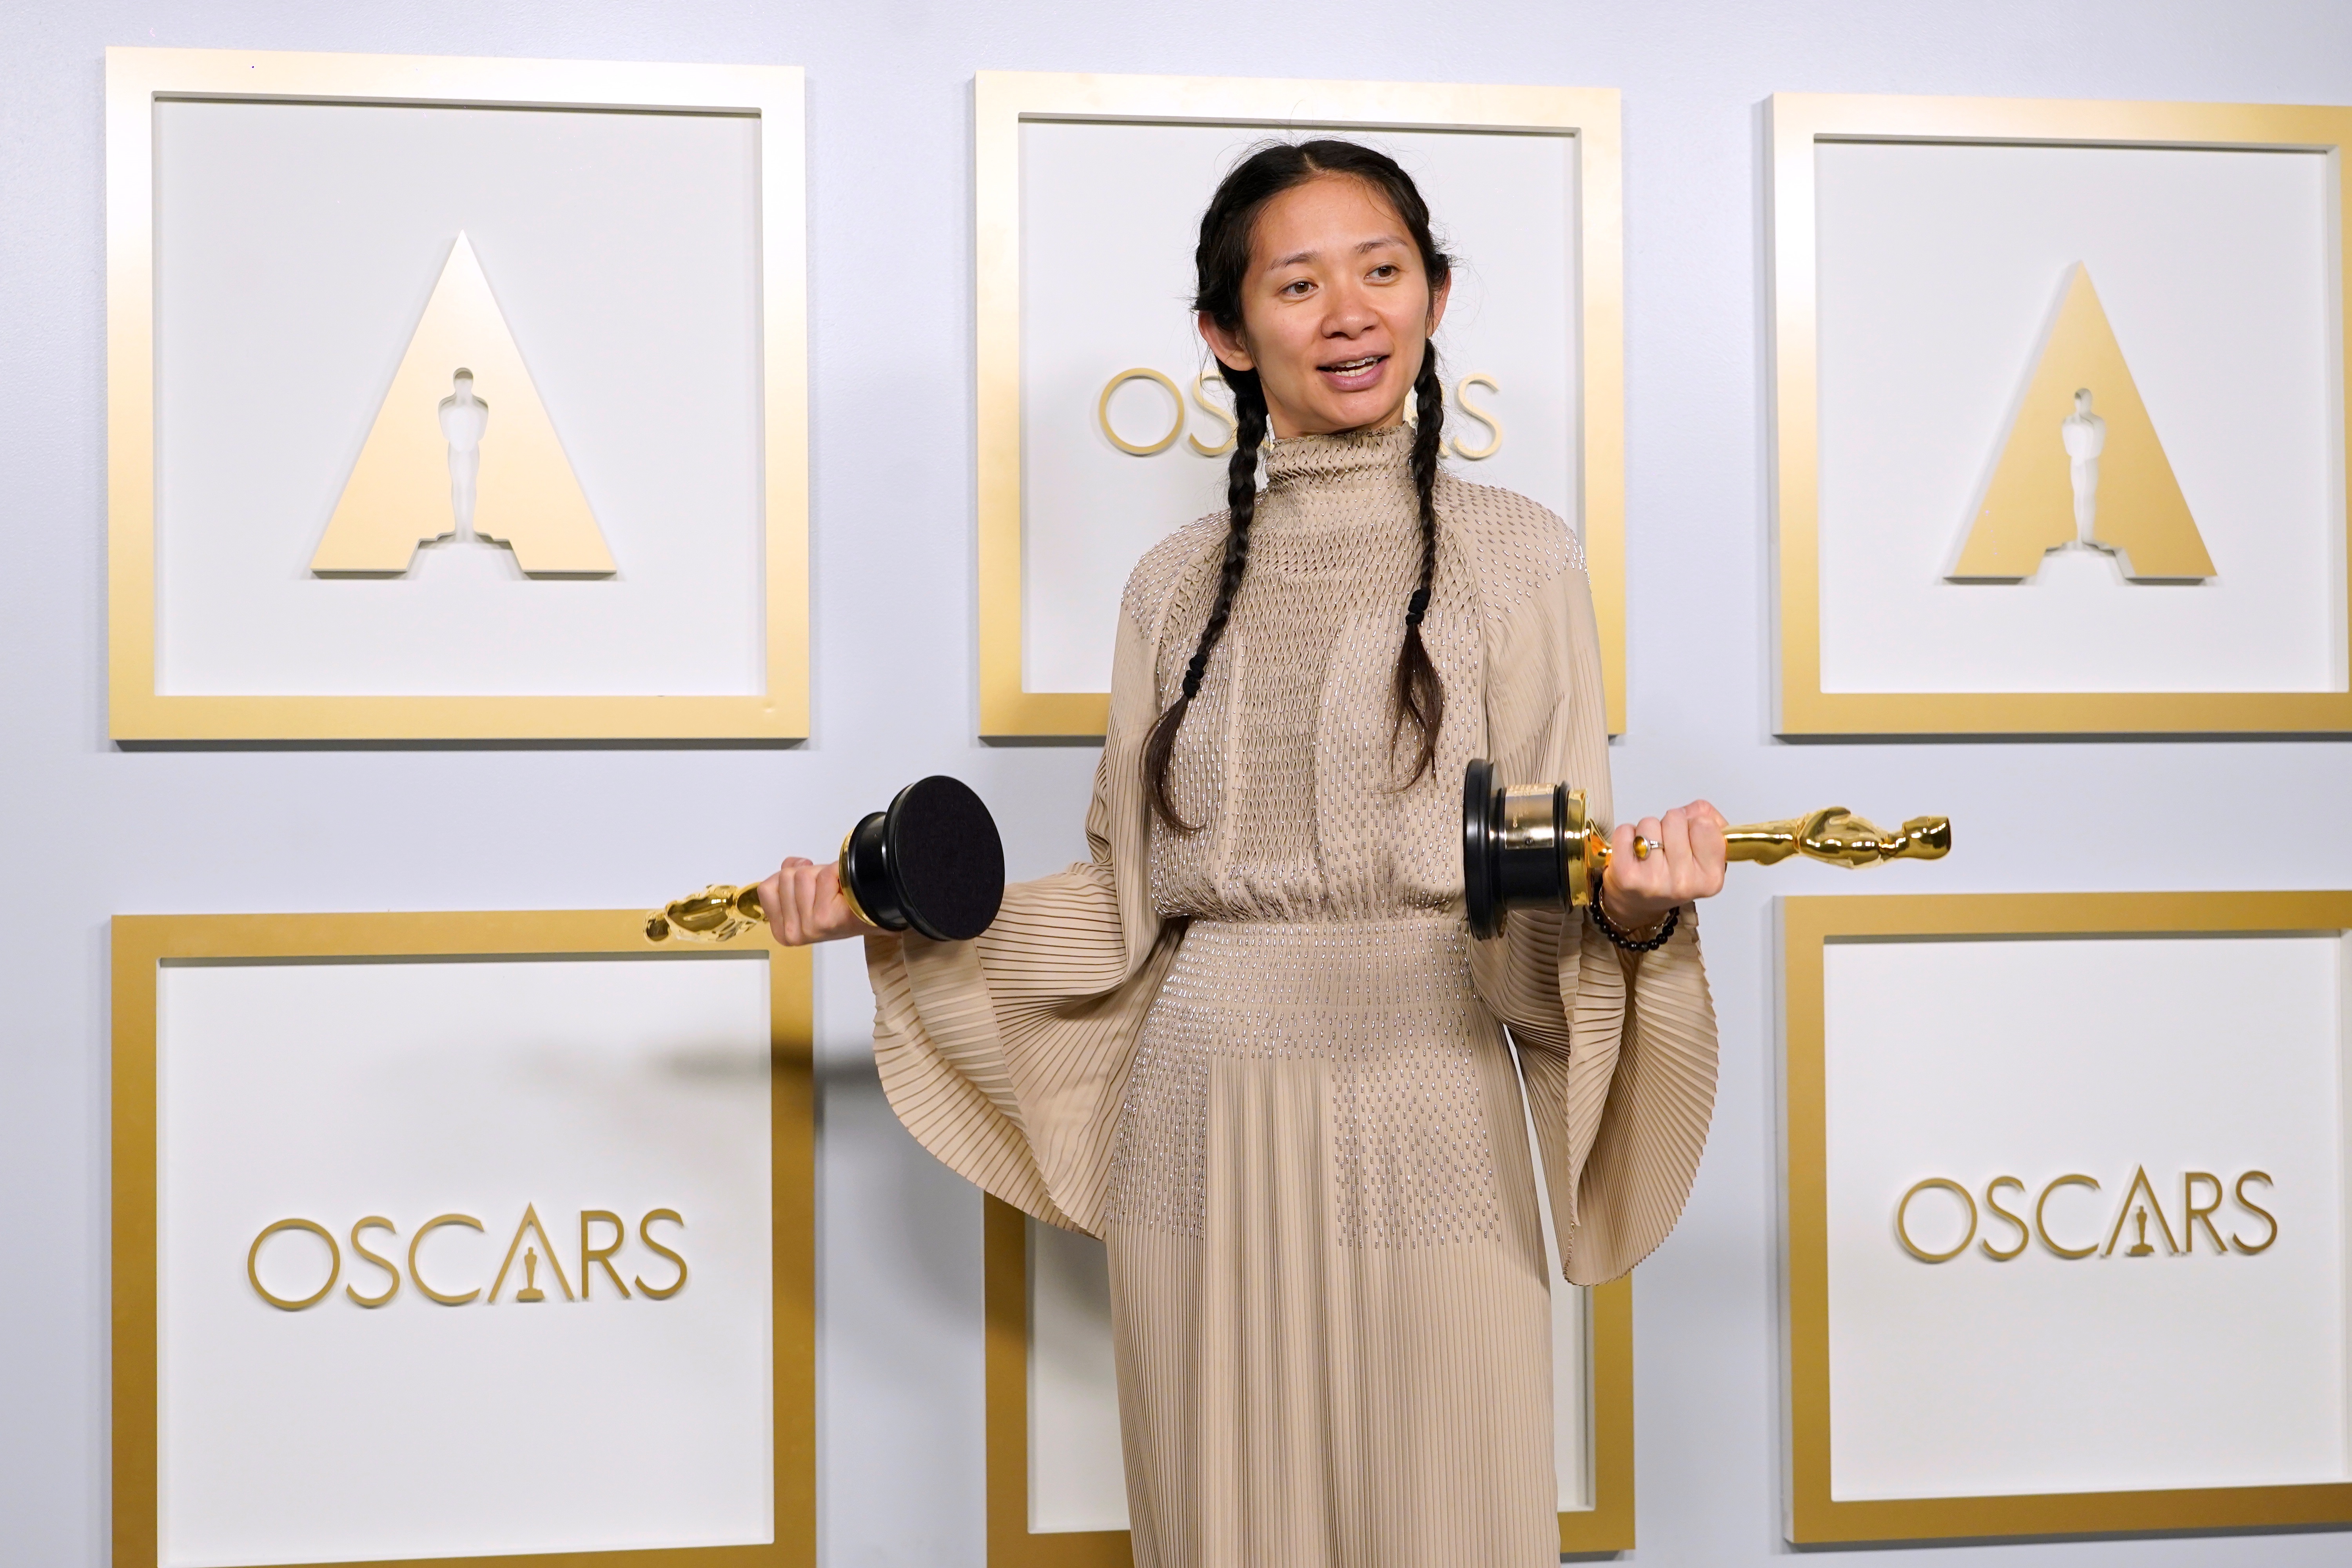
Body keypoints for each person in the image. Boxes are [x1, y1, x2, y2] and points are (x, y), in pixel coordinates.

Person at [762, 140, 1725, 1568]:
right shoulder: (1169, 588)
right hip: (1202, 1113)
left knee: (1452, 1503)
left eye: (1382, 270)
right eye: (1299, 283)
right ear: (1226, 333)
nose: (1351, 312)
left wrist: (1637, 921)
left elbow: (1549, 872)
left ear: (1434, 294)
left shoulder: (1523, 556)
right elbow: (1125, 902)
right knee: (1224, 1515)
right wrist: (898, 912)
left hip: (1434, 1088)